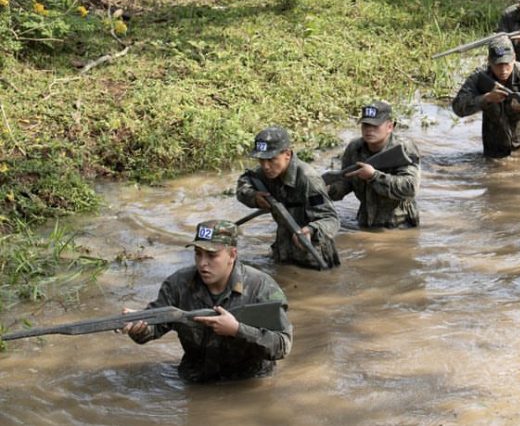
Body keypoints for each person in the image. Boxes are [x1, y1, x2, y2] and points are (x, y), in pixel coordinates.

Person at [122, 220, 293, 383]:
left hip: (249, 383)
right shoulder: (178, 284)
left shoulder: (260, 287)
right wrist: (139, 327)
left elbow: (282, 345)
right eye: (198, 254)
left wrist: (237, 330)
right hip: (197, 380)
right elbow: (154, 327)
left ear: (232, 254)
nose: (203, 263)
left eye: (212, 255)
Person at [237, 126, 341, 269]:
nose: (265, 166)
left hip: (313, 256)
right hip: (283, 252)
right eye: (261, 160)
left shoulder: (309, 180)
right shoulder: (265, 173)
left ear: (287, 154)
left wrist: (311, 230)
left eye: (271, 160)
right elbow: (245, 181)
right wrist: (253, 197)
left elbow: (331, 219)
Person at [327, 101, 420, 229]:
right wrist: (327, 190)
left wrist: (374, 176)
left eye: (375, 126)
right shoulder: (354, 148)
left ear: (390, 127)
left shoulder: (404, 149)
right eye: (365, 125)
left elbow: (410, 187)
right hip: (365, 222)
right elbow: (345, 182)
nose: (369, 130)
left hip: (401, 226)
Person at [452, 35, 520, 157]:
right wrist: (486, 98)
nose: (503, 70)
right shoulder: (480, 76)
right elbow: (458, 107)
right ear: (489, 61)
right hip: (495, 147)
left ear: (514, 58)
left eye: (507, 64)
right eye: (498, 64)